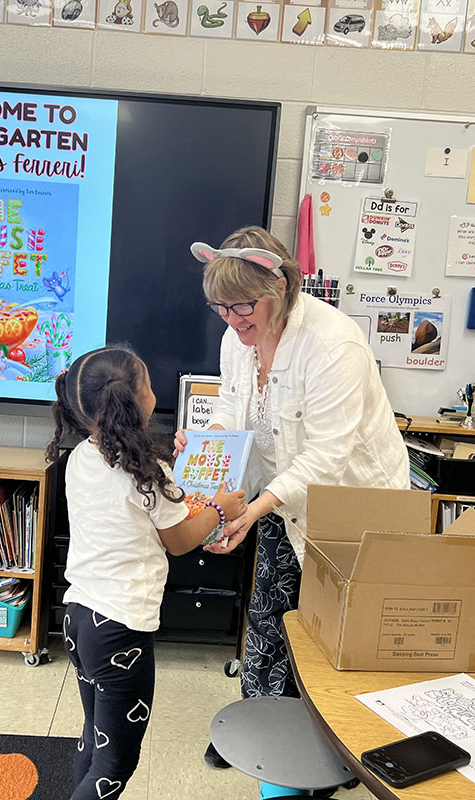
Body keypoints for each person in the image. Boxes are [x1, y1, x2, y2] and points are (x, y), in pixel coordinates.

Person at [174, 226, 409, 791]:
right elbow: (232, 407)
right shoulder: (238, 339)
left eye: (243, 306)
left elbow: (331, 453)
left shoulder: (333, 344)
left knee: (340, 633)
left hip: (356, 506)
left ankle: (341, 755)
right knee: (271, 618)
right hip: (283, 498)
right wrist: (206, 450)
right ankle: (257, 732)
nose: (232, 321)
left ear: (279, 287)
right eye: (220, 309)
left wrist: (255, 508)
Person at [45, 345, 246, 800]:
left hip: (78, 616)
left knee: (95, 737)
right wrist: (220, 507)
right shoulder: (147, 472)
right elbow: (178, 540)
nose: (155, 391)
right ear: (136, 402)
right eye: (150, 385)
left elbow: (140, 523)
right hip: (119, 631)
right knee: (117, 763)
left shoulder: (80, 456)